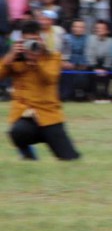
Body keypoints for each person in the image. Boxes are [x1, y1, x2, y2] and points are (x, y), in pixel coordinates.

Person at [3, 20, 81, 160]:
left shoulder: (52, 56)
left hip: (49, 115)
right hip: (25, 113)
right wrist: (9, 57)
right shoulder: (16, 57)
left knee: (70, 159)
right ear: (21, 39)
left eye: (34, 40)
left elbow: (50, 78)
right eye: (27, 40)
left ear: (41, 39)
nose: (31, 45)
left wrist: (36, 62)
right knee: (17, 132)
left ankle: (57, 143)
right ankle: (28, 158)